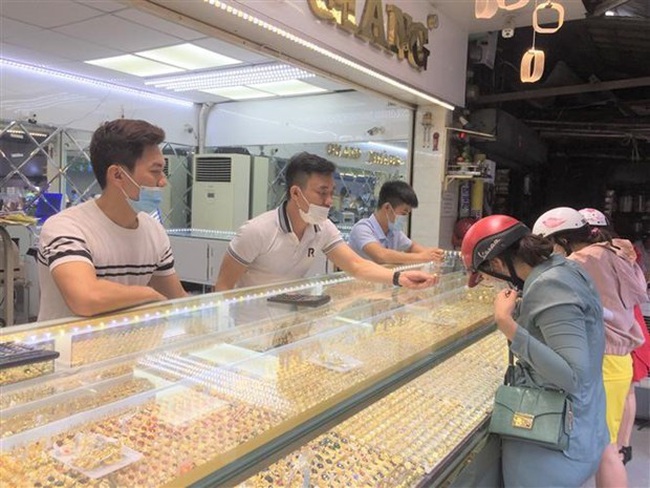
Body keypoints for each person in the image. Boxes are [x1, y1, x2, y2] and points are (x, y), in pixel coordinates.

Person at [461, 214, 608, 487]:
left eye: (485, 275)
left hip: (555, 444)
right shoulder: (561, 267)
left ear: (496, 263)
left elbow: (573, 376)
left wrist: (507, 324)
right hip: (585, 427)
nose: (491, 282)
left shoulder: (549, 285)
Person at [533, 207, 647, 488]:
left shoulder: (580, 261)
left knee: (605, 449)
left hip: (603, 360)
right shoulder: (615, 253)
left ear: (563, 240)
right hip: (619, 359)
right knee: (607, 445)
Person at [214, 152, 436, 291]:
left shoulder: (323, 228)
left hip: (290, 320)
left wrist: (399, 278)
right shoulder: (257, 231)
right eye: (322, 193)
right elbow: (223, 286)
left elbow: (356, 265)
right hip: (251, 327)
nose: (330, 201)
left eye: (332, 192)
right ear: (295, 193)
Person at [37, 119, 186, 321]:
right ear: (117, 175)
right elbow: (86, 298)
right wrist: (148, 294)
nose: (163, 180)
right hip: (66, 351)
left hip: (125, 349)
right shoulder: (66, 228)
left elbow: (176, 298)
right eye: (155, 171)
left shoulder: (154, 231)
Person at [579, 207, 650, 467]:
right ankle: (623, 444)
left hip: (613, 331)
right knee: (628, 387)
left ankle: (619, 446)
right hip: (629, 324)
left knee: (625, 389)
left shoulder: (588, 258)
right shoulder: (622, 251)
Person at [348, 180, 444, 264]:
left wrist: (431, 254)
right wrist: (422, 257)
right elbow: (381, 256)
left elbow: (411, 247)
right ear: (387, 208)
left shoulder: (394, 232)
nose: (405, 217)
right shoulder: (362, 229)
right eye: (404, 212)